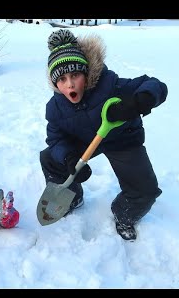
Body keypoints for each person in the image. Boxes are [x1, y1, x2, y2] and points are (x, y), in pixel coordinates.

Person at [39, 29, 168, 241]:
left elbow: (154, 84)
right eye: (62, 79)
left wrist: (141, 100)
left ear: (87, 73)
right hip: (88, 140)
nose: (70, 84)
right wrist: (69, 157)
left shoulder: (111, 86)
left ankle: (124, 214)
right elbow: (55, 139)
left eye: (75, 75)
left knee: (145, 192)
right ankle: (71, 197)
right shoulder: (56, 108)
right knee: (50, 158)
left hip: (123, 139)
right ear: (55, 84)